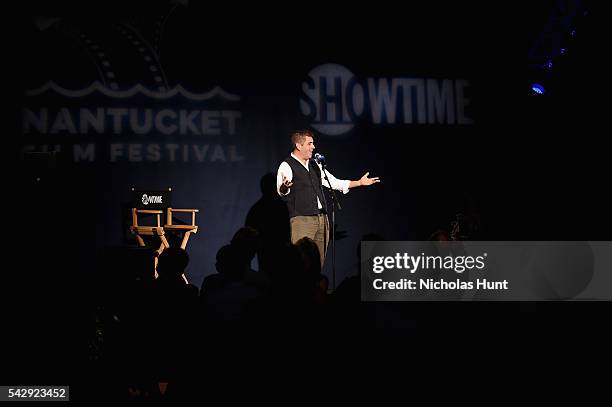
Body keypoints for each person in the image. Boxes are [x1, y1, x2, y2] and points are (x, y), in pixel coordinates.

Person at [276, 129, 380, 267]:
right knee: (300, 262)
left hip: (322, 220)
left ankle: (315, 288)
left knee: (318, 264)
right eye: (310, 144)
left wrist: (359, 182)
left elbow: (335, 182)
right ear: (299, 146)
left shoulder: (315, 165)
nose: (313, 147)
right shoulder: (287, 165)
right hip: (302, 219)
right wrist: (285, 186)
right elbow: (281, 191)